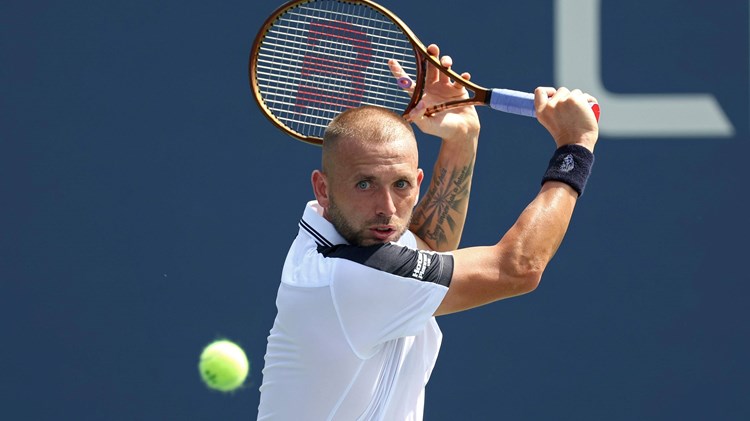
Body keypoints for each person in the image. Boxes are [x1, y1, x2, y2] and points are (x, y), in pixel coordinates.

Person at [257, 44, 599, 420]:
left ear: (418, 182)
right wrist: (575, 148)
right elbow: (517, 267)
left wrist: (462, 137)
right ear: (322, 188)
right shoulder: (347, 276)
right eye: (365, 185)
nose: (387, 207)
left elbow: (427, 249)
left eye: (401, 185)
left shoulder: (342, 236)